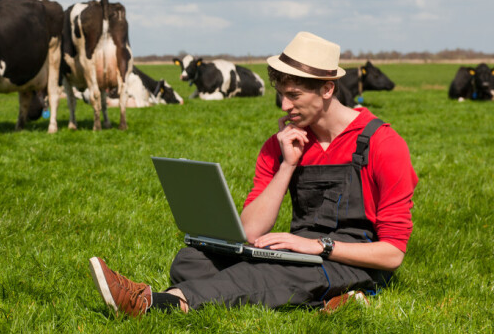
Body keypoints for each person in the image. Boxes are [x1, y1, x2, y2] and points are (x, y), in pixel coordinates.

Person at [89, 31, 418, 315]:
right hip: (299, 251)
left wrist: (320, 246)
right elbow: (250, 231)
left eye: (294, 95)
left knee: (266, 274)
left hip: (355, 261)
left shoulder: (383, 144)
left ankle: (157, 303)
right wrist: (287, 165)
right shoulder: (280, 144)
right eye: (281, 95)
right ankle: (325, 297)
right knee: (192, 260)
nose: (284, 106)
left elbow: (392, 254)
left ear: (327, 89)